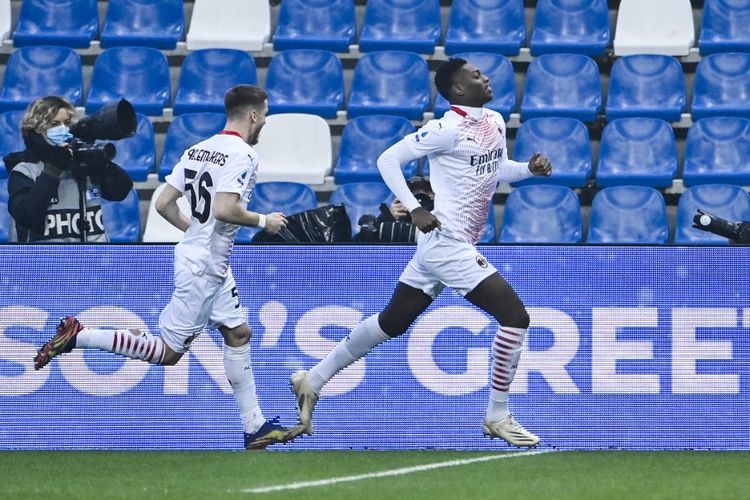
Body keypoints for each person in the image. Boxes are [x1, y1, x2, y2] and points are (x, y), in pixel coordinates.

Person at [291, 58, 552, 447]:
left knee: (392, 322)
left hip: (448, 244)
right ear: (459, 90)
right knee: (515, 317)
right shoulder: (444, 130)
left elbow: (495, 171)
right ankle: (497, 414)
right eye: (476, 75)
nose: (486, 77)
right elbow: (387, 159)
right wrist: (414, 207)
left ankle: (312, 379)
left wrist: (528, 169)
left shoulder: (494, 121)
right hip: (446, 242)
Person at [33, 85, 304, 450]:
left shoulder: (198, 149)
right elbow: (225, 208)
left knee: (239, 333)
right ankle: (80, 335)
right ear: (253, 115)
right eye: (265, 115)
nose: (265, 122)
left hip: (206, 260)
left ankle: (254, 425)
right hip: (205, 268)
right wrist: (263, 220)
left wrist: (195, 232)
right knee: (167, 354)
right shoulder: (243, 155)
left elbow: (163, 203)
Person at [4, 96, 133, 242]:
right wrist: (54, 168)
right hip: (50, 261)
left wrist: (102, 164)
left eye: (66, 123)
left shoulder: (84, 162)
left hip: (96, 259)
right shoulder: (25, 170)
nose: (63, 129)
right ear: (39, 128)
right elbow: (27, 216)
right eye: (55, 124)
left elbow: (120, 192)